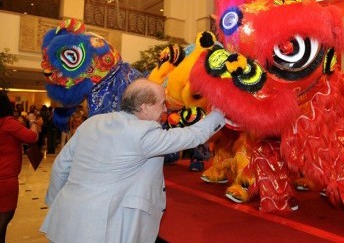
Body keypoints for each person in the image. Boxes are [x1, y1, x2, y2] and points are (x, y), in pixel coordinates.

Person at [40, 78, 225, 243]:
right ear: (144, 107)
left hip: (66, 218)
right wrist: (223, 111)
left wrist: (56, 201)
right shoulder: (142, 133)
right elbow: (193, 136)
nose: (165, 109)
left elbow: (61, 166)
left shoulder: (92, 123)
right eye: (162, 104)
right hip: (102, 228)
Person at [0, 91, 38, 243]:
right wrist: (33, 121)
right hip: (6, 180)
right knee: (4, 218)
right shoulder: (8, 123)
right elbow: (32, 137)